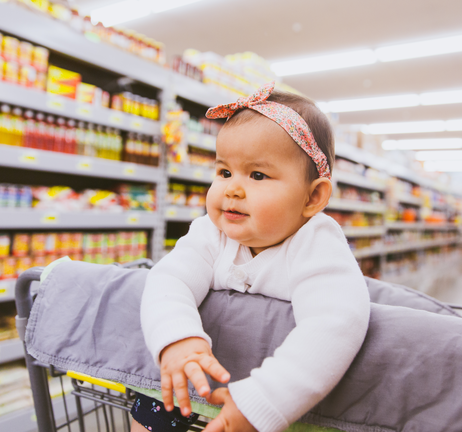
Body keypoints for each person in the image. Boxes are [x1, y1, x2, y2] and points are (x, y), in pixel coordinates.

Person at [134, 82, 371, 432]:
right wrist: (178, 338)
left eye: (257, 174)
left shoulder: (316, 243)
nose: (232, 188)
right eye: (224, 172)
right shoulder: (210, 232)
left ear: (312, 197)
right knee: (155, 395)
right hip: (201, 384)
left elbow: (335, 324)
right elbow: (169, 280)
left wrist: (263, 402)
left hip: (276, 404)